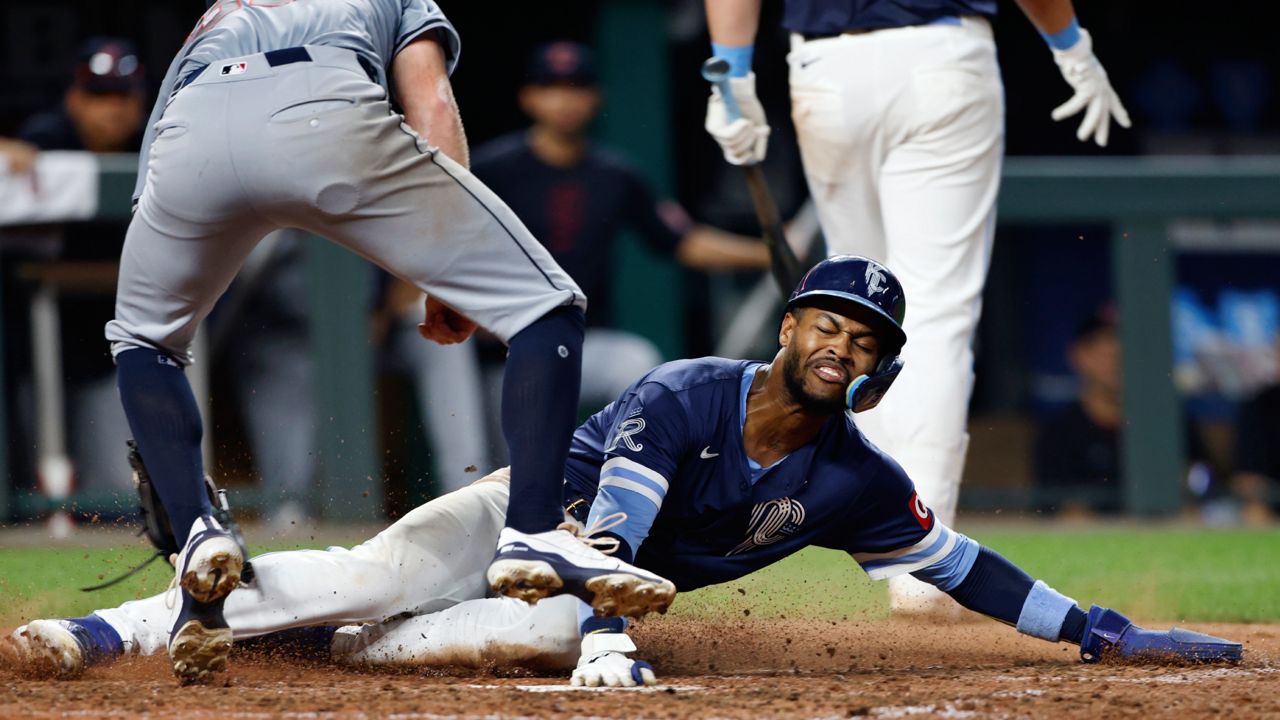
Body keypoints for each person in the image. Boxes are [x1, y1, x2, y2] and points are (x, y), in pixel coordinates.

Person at [8, 256, 1240, 687]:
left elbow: (957, 564)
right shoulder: (681, 391)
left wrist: (1086, 629)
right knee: (370, 576)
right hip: (527, 518)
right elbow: (613, 530)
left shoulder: (855, 475)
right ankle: (115, 628)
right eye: (823, 323)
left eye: (861, 342)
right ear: (787, 330)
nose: (837, 346)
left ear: (874, 369)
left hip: (565, 591)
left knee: (518, 641)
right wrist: (611, 635)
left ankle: (338, 655)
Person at [106, 0, 671, 683]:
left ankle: (197, 531)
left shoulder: (219, 10)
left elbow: (156, 153)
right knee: (546, 305)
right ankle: (534, 535)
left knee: (144, 342)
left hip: (191, 134)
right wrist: (444, 277)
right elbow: (429, 102)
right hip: (321, 106)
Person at [700, 0, 1131, 615]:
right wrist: (1069, 44)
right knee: (935, 312)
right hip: (939, 56)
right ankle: (921, 562)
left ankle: (890, 538)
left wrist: (734, 71)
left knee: (857, 315)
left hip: (825, 68)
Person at [472, 40, 770, 413]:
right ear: (529, 97)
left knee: (635, 362)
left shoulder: (614, 174)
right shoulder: (491, 169)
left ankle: (628, 468)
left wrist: (770, 253)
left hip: (581, 344)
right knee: (492, 464)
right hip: (499, 351)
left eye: (576, 88)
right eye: (551, 88)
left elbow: (682, 242)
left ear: (596, 97)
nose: (565, 100)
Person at [1, 37, 148, 498]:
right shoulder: (46, 135)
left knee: (116, 489)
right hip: (35, 346)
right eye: (99, 95)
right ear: (75, 99)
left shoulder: (160, 140)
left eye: (123, 96)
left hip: (113, 347)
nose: (113, 110)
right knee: (31, 481)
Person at [1034, 307, 1214, 517]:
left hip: (1163, 539)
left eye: (1125, 348)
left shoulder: (1168, 422)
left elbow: (1200, 493)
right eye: (1103, 349)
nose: (1115, 358)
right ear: (1079, 356)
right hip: (1094, 544)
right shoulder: (1059, 432)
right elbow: (1063, 513)